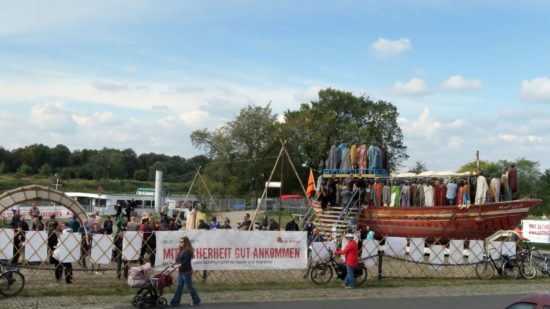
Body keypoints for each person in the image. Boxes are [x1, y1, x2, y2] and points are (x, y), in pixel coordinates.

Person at [170, 236, 201, 307]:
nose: (180, 243)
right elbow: (177, 259)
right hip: (181, 272)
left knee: (189, 287)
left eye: (182, 242)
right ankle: (175, 302)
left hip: (186, 272)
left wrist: (177, 266)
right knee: (179, 287)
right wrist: (173, 263)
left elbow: (185, 261)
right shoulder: (181, 250)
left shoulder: (187, 251)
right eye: (180, 241)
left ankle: (196, 301)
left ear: (185, 242)